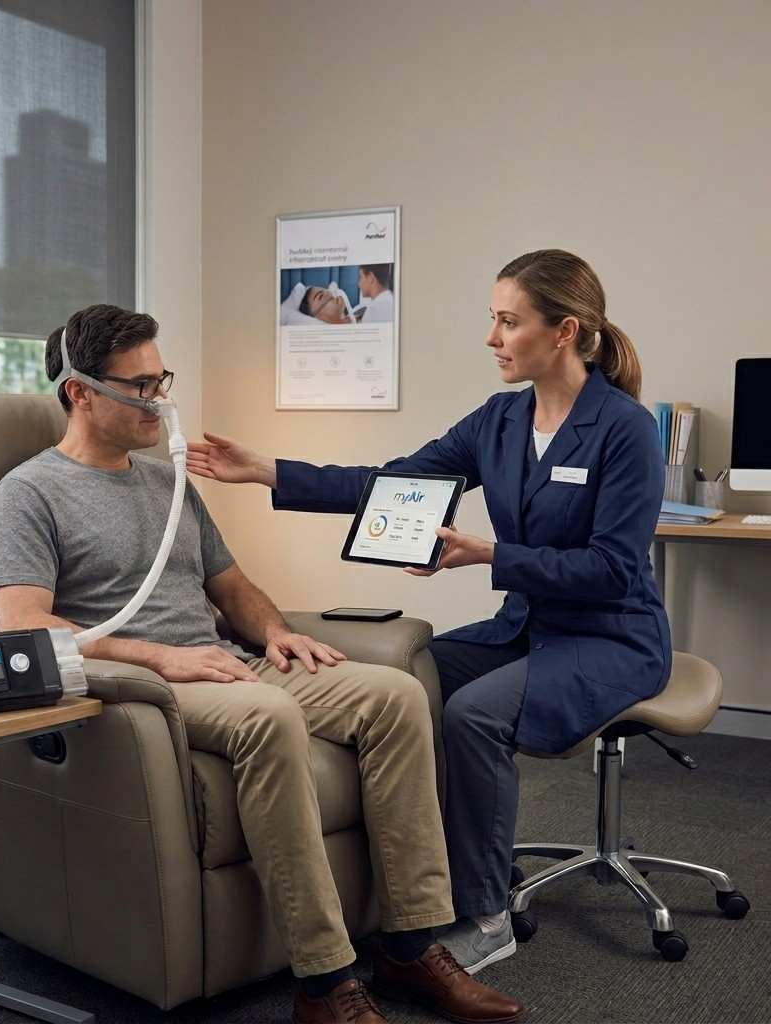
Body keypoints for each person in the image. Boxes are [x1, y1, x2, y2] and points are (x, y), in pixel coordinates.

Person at [0, 304, 524, 1024]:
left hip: (226, 661)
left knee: (396, 696)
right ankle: (325, 982)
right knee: (269, 716)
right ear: (80, 391)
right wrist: (163, 657)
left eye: (162, 380)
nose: (160, 400)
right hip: (147, 682)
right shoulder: (29, 491)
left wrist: (275, 634)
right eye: (140, 387)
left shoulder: (168, 482)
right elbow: (24, 624)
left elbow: (232, 588)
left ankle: (410, 946)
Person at [187, 248, 672, 977]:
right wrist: (268, 471)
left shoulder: (624, 428)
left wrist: (489, 555)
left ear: (564, 331)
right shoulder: (501, 419)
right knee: (407, 678)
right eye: (493, 319)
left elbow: (612, 569)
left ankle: (486, 915)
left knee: (474, 715)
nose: (492, 338)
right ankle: (431, 881)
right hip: (529, 626)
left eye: (508, 322)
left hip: (612, 636)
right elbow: (395, 480)